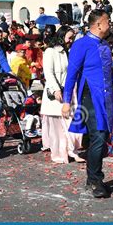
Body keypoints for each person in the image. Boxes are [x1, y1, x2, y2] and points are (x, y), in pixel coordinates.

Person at [62, 10, 113, 198]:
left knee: (101, 138)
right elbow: (72, 74)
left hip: (106, 99)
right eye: (107, 21)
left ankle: (93, 178)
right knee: (98, 137)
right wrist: (66, 101)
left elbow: (111, 74)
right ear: (99, 25)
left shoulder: (105, 45)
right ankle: (95, 180)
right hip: (90, 97)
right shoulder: (81, 44)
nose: (110, 24)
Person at [41, 26, 84, 164]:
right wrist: (55, 89)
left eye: (72, 38)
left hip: (69, 91)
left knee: (71, 121)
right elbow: (49, 72)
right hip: (56, 93)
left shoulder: (69, 52)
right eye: (69, 38)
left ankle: (72, 150)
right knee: (58, 127)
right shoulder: (50, 51)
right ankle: (60, 153)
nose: (70, 41)